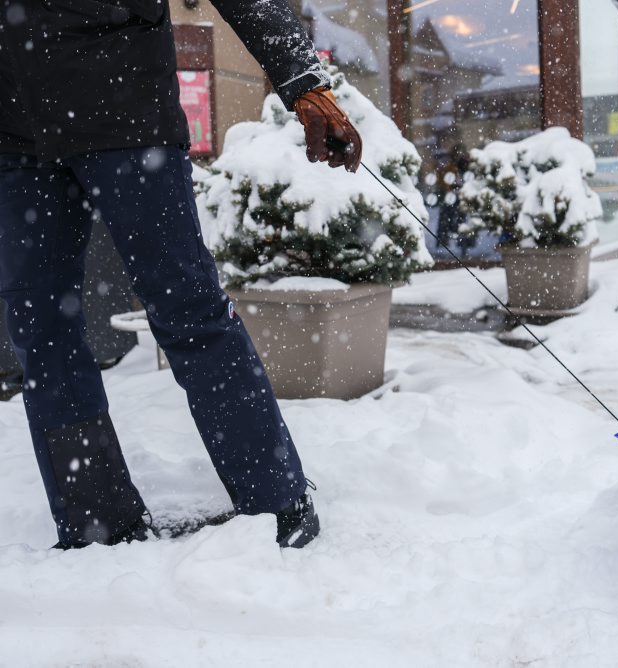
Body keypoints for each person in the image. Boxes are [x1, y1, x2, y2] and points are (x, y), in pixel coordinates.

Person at [0, 0, 362, 549]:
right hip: (15, 136)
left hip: (125, 106)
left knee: (188, 308)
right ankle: (96, 523)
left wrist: (302, 76)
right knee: (40, 331)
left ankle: (274, 499)